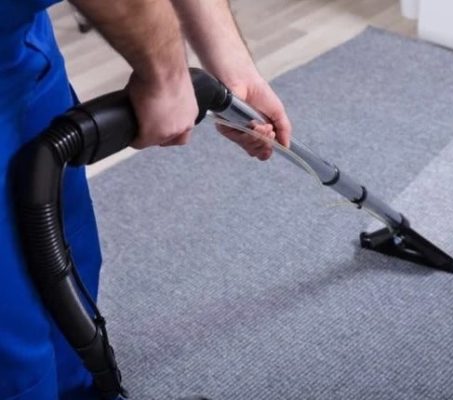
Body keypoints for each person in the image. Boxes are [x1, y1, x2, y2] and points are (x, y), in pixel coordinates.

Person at [0, 0, 292, 398]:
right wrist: (166, 77)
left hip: (19, 36)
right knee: (12, 336)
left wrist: (233, 67)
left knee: (69, 266)